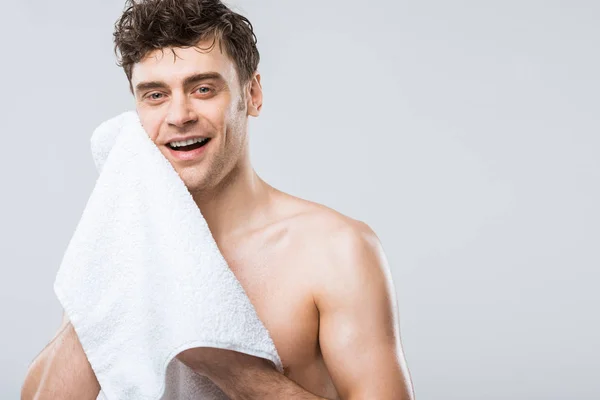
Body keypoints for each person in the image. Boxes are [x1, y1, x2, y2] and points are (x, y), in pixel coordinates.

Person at [21, 0, 414, 399]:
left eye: (203, 89)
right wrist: (112, 276)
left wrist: (227, 363)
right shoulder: (124, 246)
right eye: (155, 95)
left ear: (253, 94)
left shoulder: (335, 250)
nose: (179, 115)